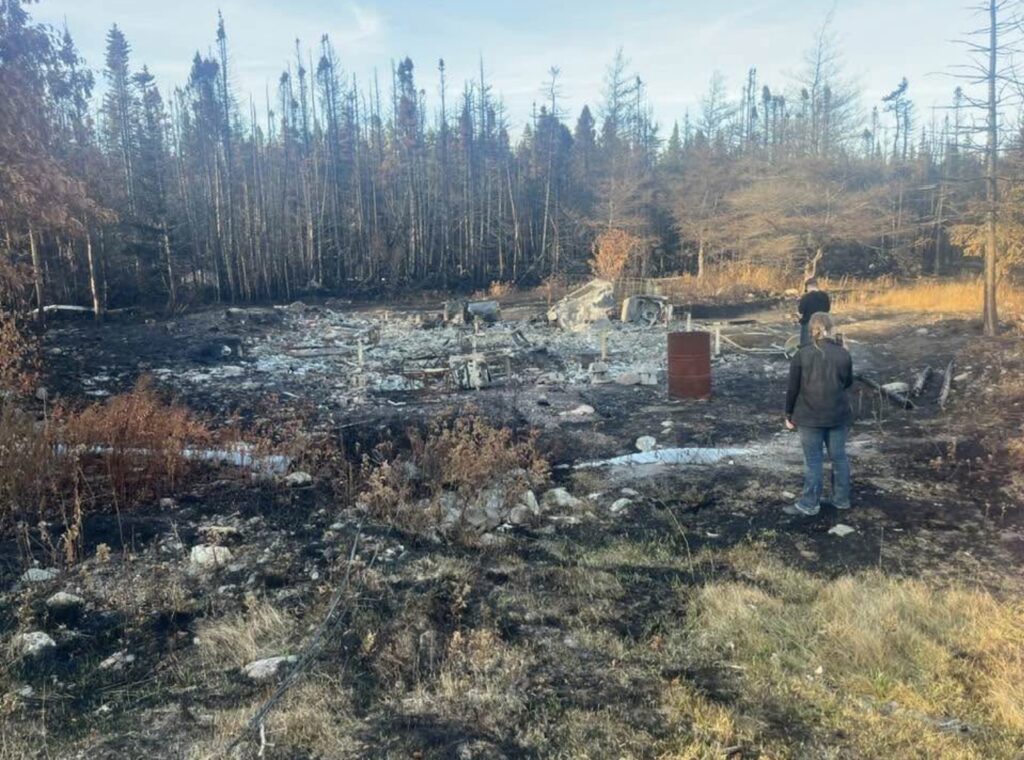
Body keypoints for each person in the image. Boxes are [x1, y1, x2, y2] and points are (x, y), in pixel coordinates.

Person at [783, 312, 852, 516]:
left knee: (813, 460)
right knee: (839, 458)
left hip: (809, 416)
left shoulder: (801, 354)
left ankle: (809, 504)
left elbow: (792, 388)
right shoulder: (843, 353)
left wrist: (788, 414)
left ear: (812, 329)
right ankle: (841, 499)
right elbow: (848, 382)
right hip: (838, 414)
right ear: (831, 328)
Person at [797, 278, 830, 346]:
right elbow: (828, 309)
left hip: (808, 322)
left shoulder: (806, 297)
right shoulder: (825, 296)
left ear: (808, 286)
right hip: (822, 322)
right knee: (822, 343)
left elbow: (801, 310)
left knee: (806, 345)